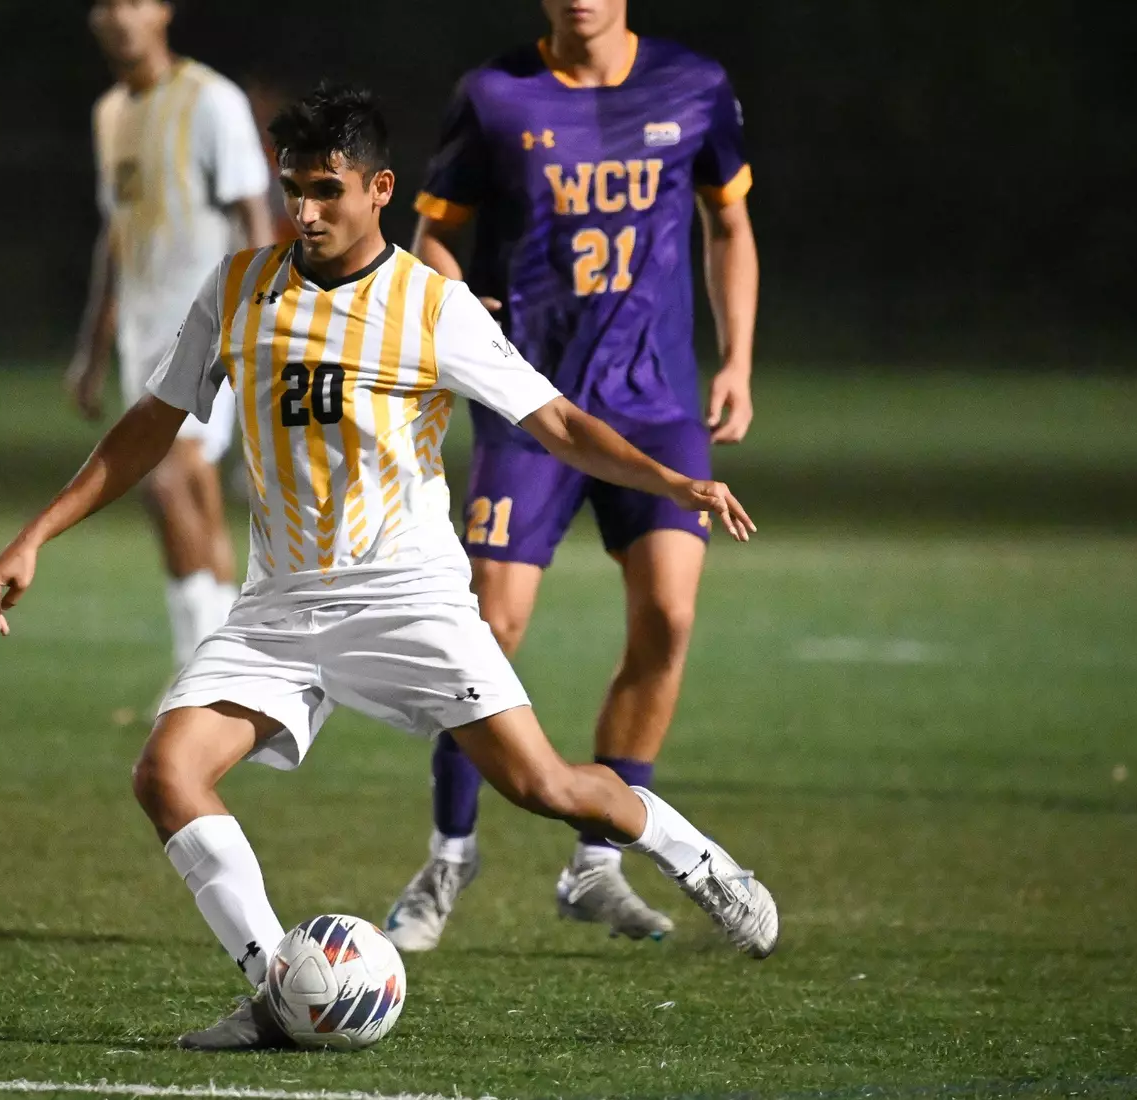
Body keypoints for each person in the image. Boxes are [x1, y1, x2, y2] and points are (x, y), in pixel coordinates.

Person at [0, 83, 776, 1052]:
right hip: (278, 607)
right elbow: (151, 424)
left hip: (407, 600)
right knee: (166, 772)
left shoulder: (431, 308)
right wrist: (37, 532)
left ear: (379, 189)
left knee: (546, 787)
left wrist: (672, 480)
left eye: (326, 189)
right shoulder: (236, 288)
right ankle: (280, 986)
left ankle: (691, 854)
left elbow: (556, 422)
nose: (304, 211)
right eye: (292, 189)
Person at [384, 0, 761, 950]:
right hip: (530, 406)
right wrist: (452, 291)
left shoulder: (695, 85)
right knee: (489, 630)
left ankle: (597, 860)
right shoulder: (497, 95)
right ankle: (448, 858)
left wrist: (737, 358)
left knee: (668, 620)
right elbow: (432, 237)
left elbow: (730, 223)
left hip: (657, 403)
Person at [65, 0, 276, 675]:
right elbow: (114, 236)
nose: (121, 18)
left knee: (167, 480)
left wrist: (263, 313)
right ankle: (230, 672)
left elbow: (255, 212)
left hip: (211, 327)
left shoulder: (211, 100)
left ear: (162, 12)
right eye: (109, 7)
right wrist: (91, 351)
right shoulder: (109, 113)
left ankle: (202, 672)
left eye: (135, 3)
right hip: (143, 338)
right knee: (188, 504)